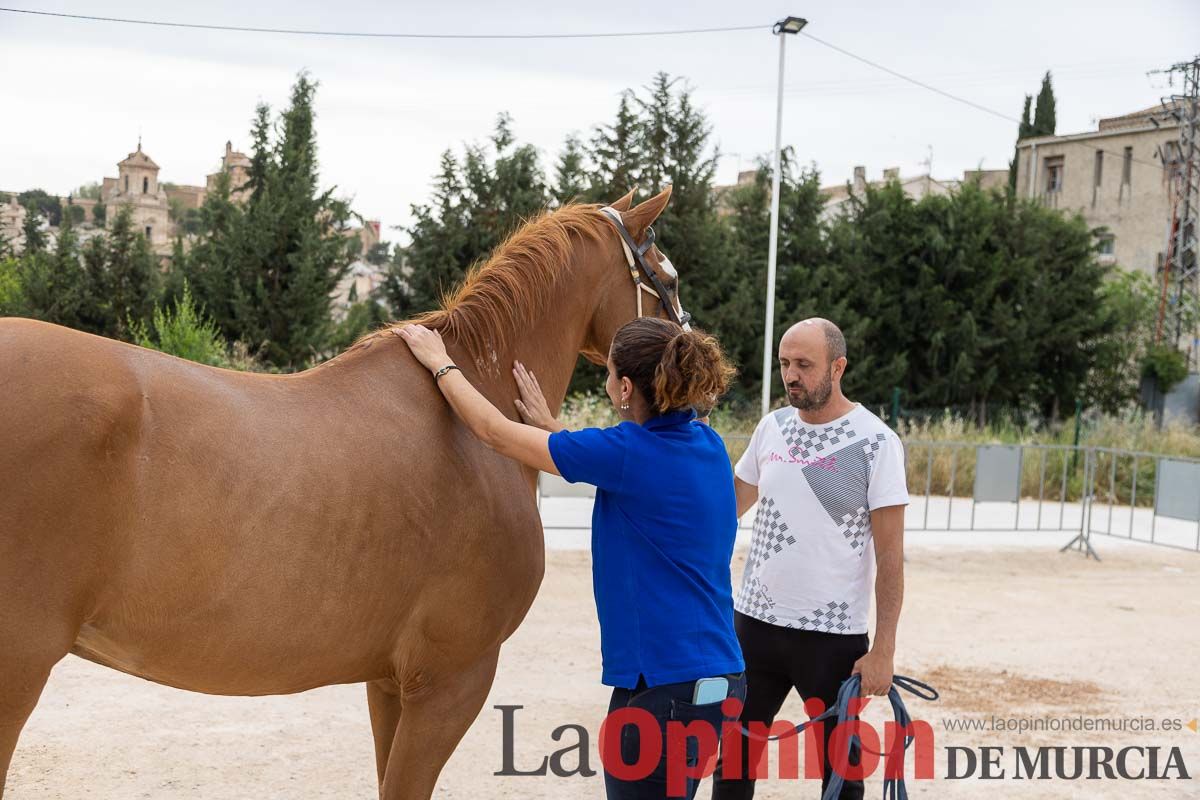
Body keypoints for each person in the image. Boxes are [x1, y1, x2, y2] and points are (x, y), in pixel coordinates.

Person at [398, 316, 747, 800]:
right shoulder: (706, 444)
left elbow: (493, 432)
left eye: (607, 374)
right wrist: (553, 430)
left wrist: (441, 364)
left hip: (664, 691)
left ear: (625, 387)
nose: (604, 383)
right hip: (718, 683)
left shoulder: (627, 452)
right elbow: (631, 468)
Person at [711, 319, 909, 800]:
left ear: (838, 367)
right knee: (731, 765)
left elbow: (890, 557)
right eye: (784, 364)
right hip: (752, 628)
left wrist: (883, 649)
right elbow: (723, 513)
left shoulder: (876, 442)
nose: (791, 375)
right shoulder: (770, 428)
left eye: (804, 365)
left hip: (833, 639)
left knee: (840, 776)